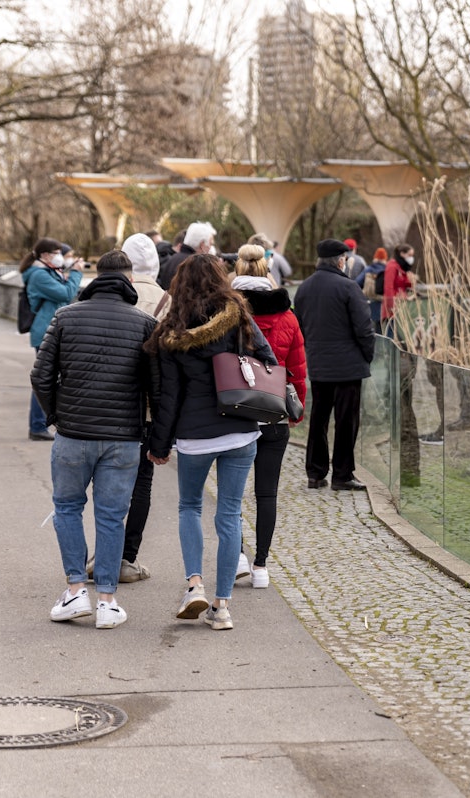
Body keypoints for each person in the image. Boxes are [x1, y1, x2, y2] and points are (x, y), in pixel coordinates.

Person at [146, 253, 277, 631]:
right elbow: (268, 358)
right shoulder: (239, 316)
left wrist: (160, 444)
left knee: (189, 507)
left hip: (195, 435)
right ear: (220, 279)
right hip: (241, 428)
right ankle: (222, 606)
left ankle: (194, 586)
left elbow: (167, 396)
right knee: (230, 513)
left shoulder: (171, 330)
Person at [31, 250, 158, 630]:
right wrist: (156, 435)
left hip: (73, 434)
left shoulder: (65, 316)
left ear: (95, 277)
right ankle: (106, 600)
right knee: (112, 516)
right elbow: (157, 387)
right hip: (124, 438)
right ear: (130, 281)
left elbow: (40, 376)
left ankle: (75, 590)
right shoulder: (145, 324)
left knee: (67, 508)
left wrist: (56, 416)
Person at [230, 244, 307, 588]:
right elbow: (298, 369)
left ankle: (237, 556)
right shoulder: (287, 316)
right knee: (267, 493)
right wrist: (296, 410)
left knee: (230, 494)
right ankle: (261, 566)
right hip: (274, 411)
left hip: (233, 412)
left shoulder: (226, 311)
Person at [292, 239, 375, 491]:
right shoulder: (349, 287)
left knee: (318, 419)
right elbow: (364, 328)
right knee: (346, 421)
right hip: (348, 367)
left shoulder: (304, 288)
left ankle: (315, 473)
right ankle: (342, 474)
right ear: (340, 261)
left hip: (319, 365)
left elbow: (300, 326)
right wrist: (367, 356)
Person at [111, 232, 170, 583]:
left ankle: (106, 551)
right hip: (148, 406)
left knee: (109, 479)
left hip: (114, 402)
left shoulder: (115, 293)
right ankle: (127, 556)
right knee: (141, 483)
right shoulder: (167, 301)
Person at [22, 237, 83, 441]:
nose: (60, 257)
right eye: (56, 253)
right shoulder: (39, 275)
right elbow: (65, 294)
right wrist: (76, 273)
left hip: (51, 330)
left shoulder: (48, 272)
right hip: (45, 332)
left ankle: (42, 424)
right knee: (45, 379)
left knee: (50, 378)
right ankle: (37, 425)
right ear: (45, 255)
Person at [158, 221, 215, 291]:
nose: (210, 248)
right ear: (202, 245)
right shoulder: (197, 265)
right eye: (210, 244)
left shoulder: (173, 259)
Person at [381, 243, 417, 338]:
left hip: (402, 305)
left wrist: (412, 281)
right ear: (402, 254)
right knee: (392, 335)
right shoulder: (392, 266)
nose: (411, 258)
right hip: (393, 307)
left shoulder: (402, 267)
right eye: (409, 255)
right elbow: (388, 287)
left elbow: (404, 285)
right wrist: (391, 305)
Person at [356, 246, 388, 330]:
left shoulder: (369, 269)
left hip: (369, 301)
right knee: (382, 327)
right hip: (384, 302)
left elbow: (357, 282)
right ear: (385, 258)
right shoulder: (388, 270)